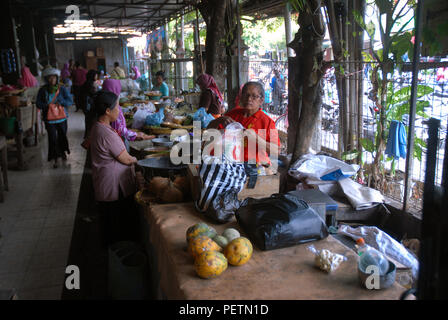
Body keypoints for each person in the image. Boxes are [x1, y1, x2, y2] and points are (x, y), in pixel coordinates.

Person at [89, 90, 139, 246]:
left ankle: (113, 253)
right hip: (111, 187)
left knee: (111, 225)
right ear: (107, 111)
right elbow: (125, 159)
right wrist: (137, 160)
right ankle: (116, 256)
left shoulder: (99, 127)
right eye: (117, 107)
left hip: (106, 184)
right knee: (114, 228)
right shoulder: (105, 133)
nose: (119, 110)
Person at [207, 81, 280, 166]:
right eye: (246, 95)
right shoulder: (232, 115)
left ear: (261, 100)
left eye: (254, 96)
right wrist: (219, 120)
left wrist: (256, 139)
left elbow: (276, 151)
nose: (249, 99)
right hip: (230, 163)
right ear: (241, 97)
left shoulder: (267, 122)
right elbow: (208, 131)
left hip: (254, 165)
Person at [36, 67, 73, 168]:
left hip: (62, 118)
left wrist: (61, 102)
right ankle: (55, 157)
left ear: (57, 78)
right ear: (46, 79)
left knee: (62, 136)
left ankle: (63, 152)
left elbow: (70, 101)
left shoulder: (62, 89)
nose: (52, 80)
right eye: (49, 78)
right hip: (49, 119)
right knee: (52, 138)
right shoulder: (42, 90)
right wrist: (46, 105)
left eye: (54, 78)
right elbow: (38, 104)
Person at [102, 79, 153, 146]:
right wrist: (137, 135)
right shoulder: (112, 106)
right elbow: (120, 130)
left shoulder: (103, 102)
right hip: (117, 143)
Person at [80, 69, 100, 139]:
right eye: (96, 75)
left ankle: (87, 135)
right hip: (90, 105)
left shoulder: (86, 82)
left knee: (88, 120)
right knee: (91, 120)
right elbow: (94, 94)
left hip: (86, 105)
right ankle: (89, 137)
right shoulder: (91, 84)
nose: (97, 76)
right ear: (93, 76)